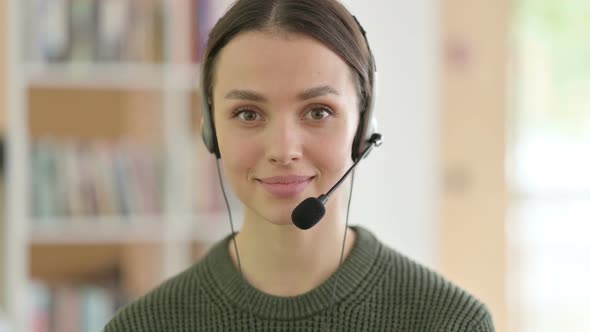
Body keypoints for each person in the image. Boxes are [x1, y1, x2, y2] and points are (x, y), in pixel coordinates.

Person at [104, 0, 495, 331]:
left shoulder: (451, 322)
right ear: (210, 130)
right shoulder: (143, 326)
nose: (283, 149)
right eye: (247, 113)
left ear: (363, 127)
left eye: (318, 111)